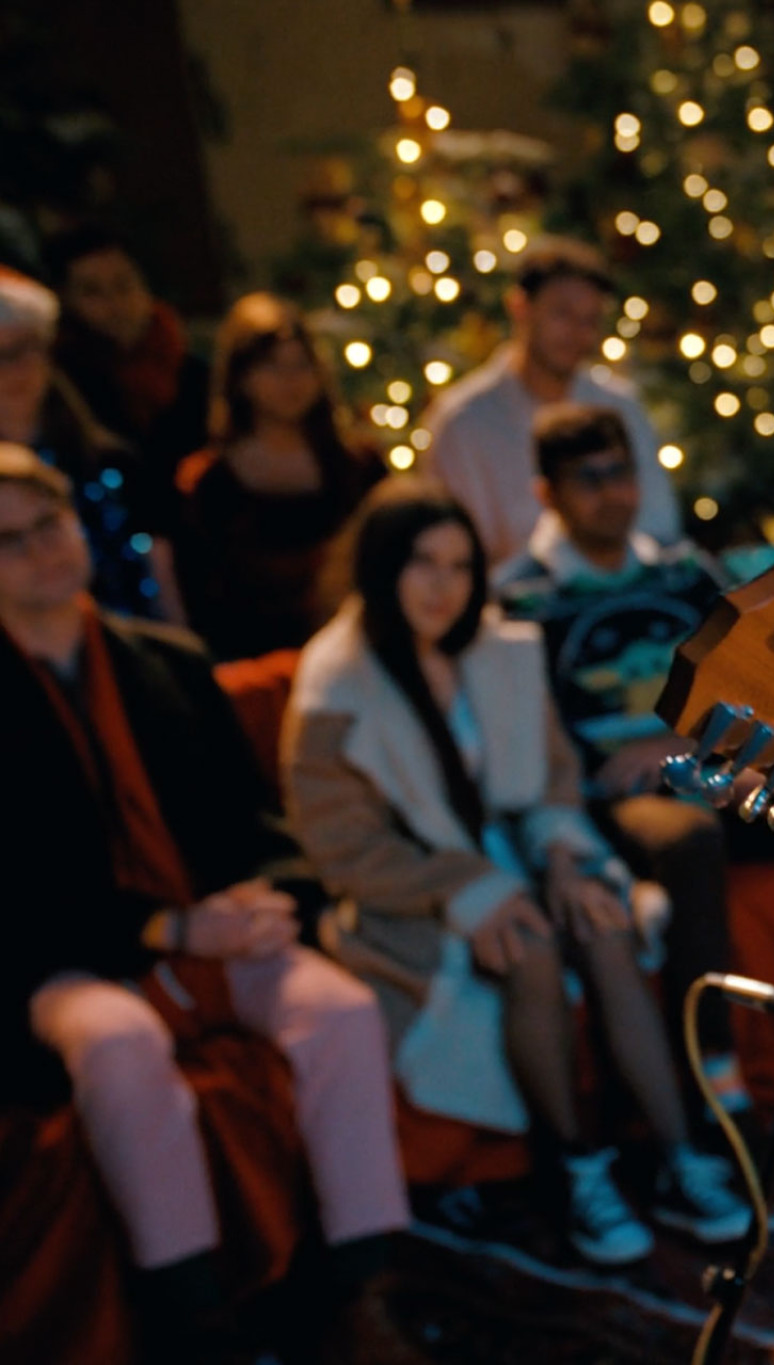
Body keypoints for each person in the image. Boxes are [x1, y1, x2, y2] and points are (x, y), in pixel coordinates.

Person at [0, 444, 409, 1357]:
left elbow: (256, 821)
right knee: (116, 1040)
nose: (41, 551)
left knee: (338, 1008)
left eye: (50, 525)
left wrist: (274, 899)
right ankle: (195, 1319)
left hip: (212, 931)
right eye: (10, 541)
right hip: (64, 955)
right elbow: (15, 896)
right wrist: (167, 925)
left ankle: (364, 1288)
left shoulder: (170, 660)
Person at [282, 480, 750, 1265]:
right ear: (379, 567)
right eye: (421, 564)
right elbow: (343, 848)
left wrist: (566, 855)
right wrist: (471, 892)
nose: (444, 586)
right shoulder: (334, 687)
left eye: (461, 566)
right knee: (528, 947)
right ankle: (577, 1167)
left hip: (526, 850)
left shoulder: (497, 650)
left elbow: (553, 780)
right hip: (411, 888)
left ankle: (679, 1157)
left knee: (602, 923)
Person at [493, 403, 774, 1104]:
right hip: (611, 796)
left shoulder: (681, 570)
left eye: (621, 472)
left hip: (709, 760)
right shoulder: (521, 597)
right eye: (587, 478)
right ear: (546, 493)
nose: (612, 492)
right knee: (689, 838)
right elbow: (526, 736)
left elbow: (753, 677)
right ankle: (715, 1078)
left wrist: (686, 739)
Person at [420, 238, 679, 568]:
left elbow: (661, 525)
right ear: (520, 308)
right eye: (563, 314)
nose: (577, 334)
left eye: (590, 320)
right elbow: (455, 556)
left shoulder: (620, 407)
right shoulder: (463, 423)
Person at [172, 293, 382, 661]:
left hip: (359, 656)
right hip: (257, 670)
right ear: (241, 377)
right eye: (272, 366)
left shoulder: (358, 467)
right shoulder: (210, 484)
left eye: (302, 365)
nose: (291, 381)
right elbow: (203, 598)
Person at [0, 266, 176, 620]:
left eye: (24, 349)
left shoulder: (109, 460)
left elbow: (158, 567)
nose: (12, 370)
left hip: (128, 647)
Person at [43, 224, 210, 529]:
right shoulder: (59, 387)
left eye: (123, 285)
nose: (115, 304)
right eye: (92, 291)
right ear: (65, 299)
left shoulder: (191, 373)